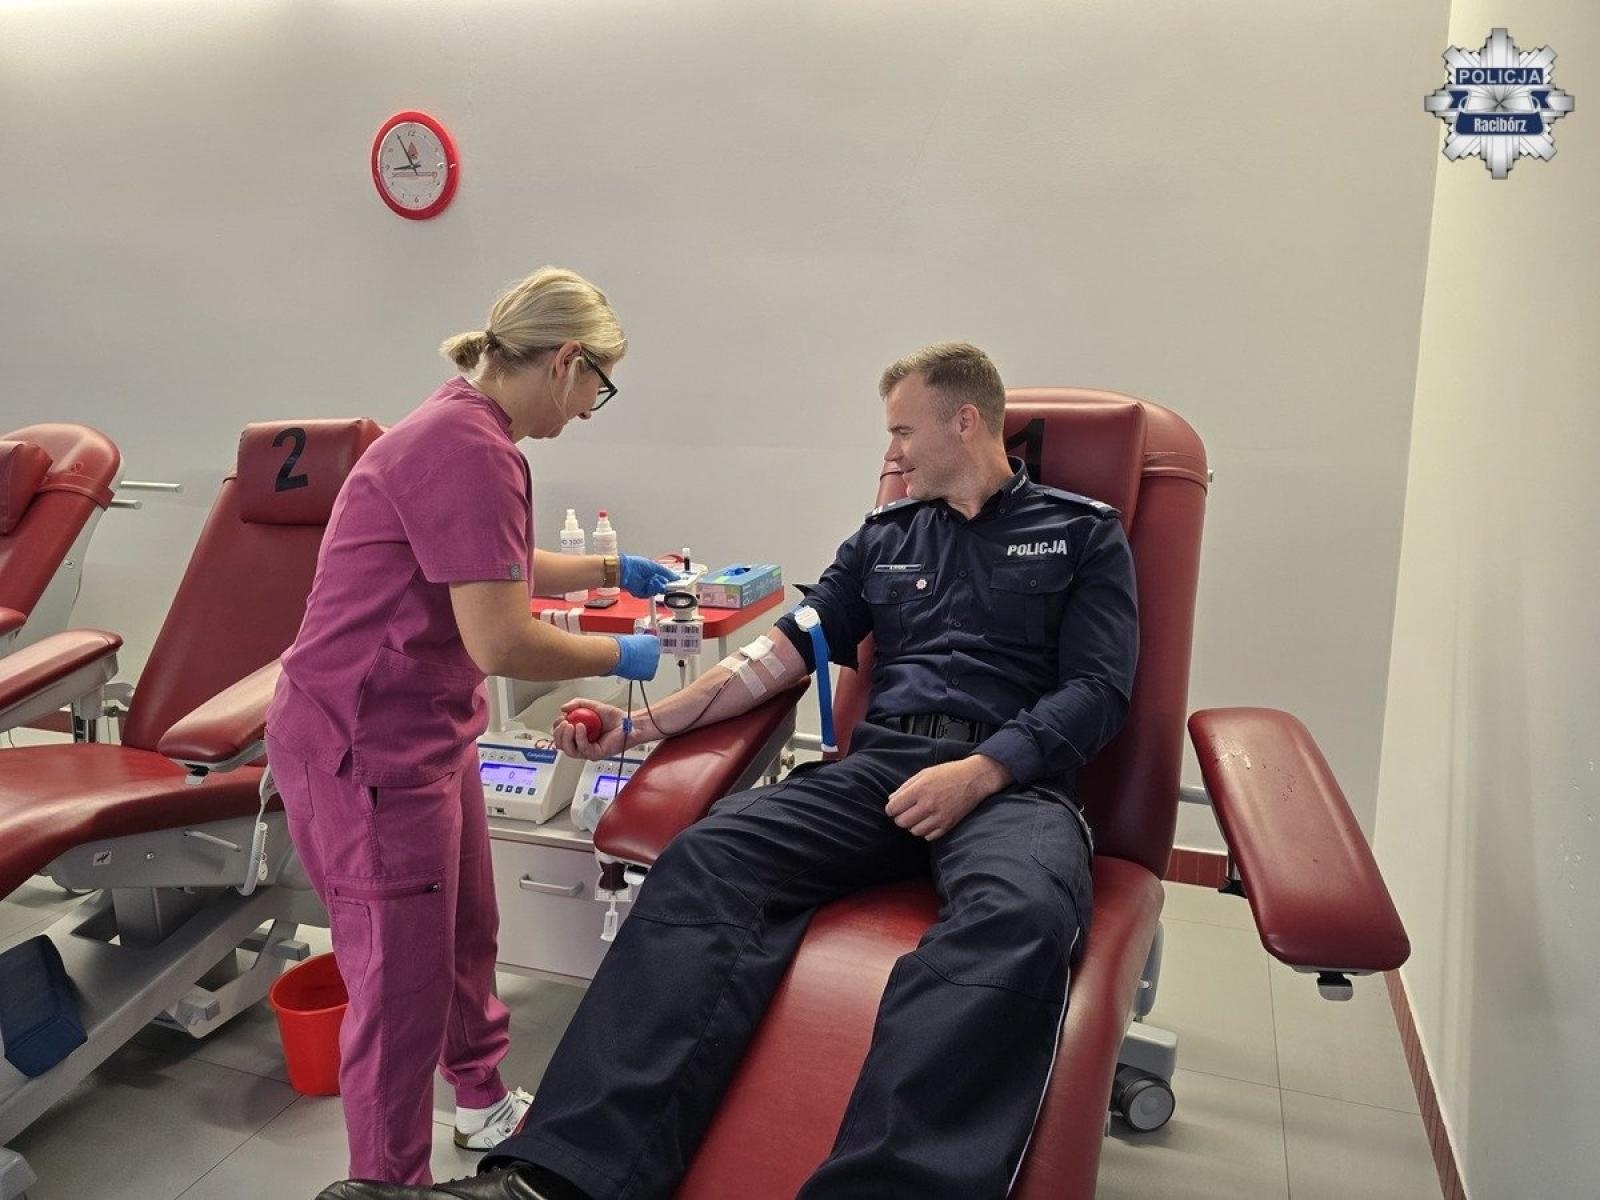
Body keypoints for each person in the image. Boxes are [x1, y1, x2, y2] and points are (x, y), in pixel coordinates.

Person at [317, 341, 1139, 1200]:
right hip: (884, 769)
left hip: (1014, 785)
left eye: (902, 431)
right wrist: (642, 722)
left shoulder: (1080, 534)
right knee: (708, 857)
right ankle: (555, 1183)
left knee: (1021, 914)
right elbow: (779, 655)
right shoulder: (885, 540)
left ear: (965, 422)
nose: (889, 454)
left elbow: (1098, 690)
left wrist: (982, 771)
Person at [265, 267, 682, 1187]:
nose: (588, 409)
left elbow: (489, 556)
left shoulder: (468, 423)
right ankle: (388, 1184)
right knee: (398, 992)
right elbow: (498, 636)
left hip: (424, 731)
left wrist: (612, 570)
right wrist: (623, 659)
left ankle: (483, 1100)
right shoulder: (469, 444)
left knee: (463, 936)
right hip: (364, 746)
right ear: (567, 360)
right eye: (596, 387)